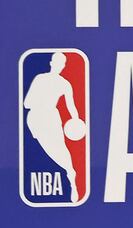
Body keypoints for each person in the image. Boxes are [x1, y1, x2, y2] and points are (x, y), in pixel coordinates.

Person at [24, 52, 82, 203]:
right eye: (58, 62)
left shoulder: (63, 84)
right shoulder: (42, 79)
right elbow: (26, 103)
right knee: (50, 149)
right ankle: (70, 172)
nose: (59, 66)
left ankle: (71, 175)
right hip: (37, 119)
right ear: (53, 63)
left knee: (59, 148)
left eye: (61, 63)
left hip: (48, 118)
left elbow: (72, 107)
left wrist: (76, 121)